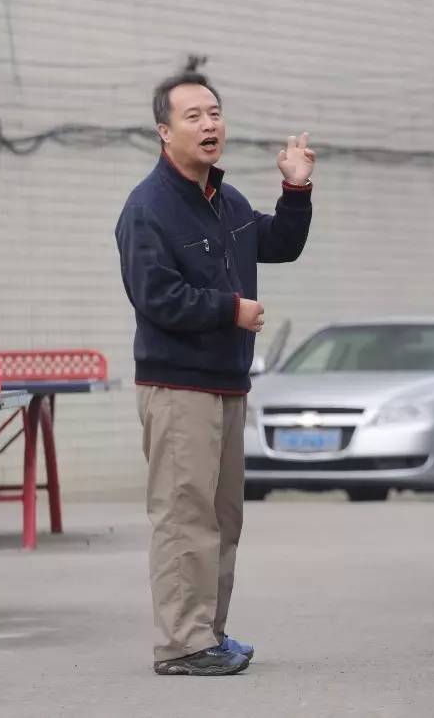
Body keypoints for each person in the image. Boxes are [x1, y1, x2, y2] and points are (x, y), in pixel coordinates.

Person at [115, 72, 314, 675]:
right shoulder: (147, 208)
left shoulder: (223, 202)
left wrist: (296, 188)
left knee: (223, 520)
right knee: (184, 519)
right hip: (178, 388)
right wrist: (231, 309)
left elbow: (279, 243)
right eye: (193, 116)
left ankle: (209, 633)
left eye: (215, 114)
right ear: (163, 131)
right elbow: (156, 297)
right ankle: (182, 644)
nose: (209, 125)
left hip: (226, 384)